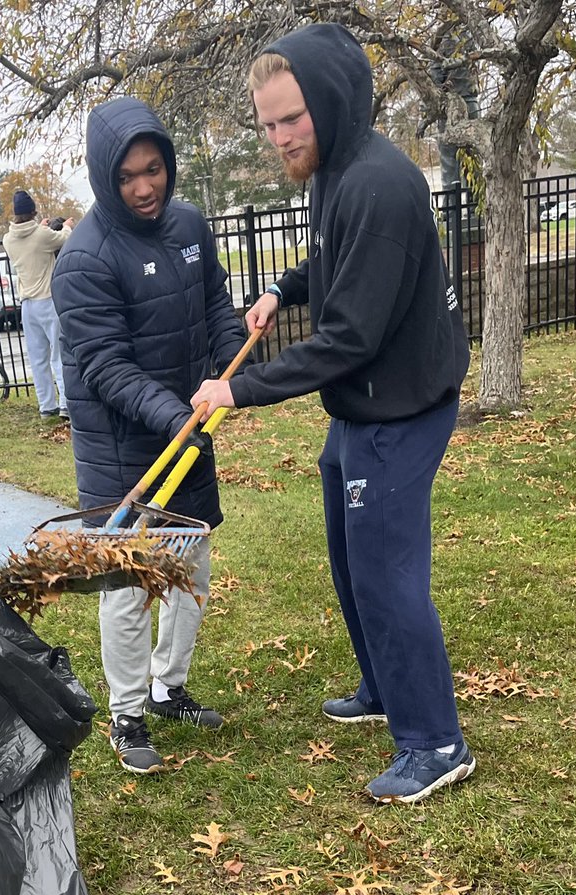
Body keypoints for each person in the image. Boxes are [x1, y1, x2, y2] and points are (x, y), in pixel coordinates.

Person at [190, 23, 475, 805]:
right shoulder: (335, 169)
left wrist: (237, 390)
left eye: (293, 118)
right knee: (352, 556)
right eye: (269, 123)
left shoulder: (379, 186)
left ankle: (436, 741)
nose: (282, 137)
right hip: (366, 405)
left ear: (332, 102)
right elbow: (329, 263)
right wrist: (284, 287)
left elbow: (349, 339)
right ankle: (385, 687)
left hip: (401, 405)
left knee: (386, 570)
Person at [51, 97, 247, 774]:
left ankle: (168, 688)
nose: (144, 186)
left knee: (191, 576)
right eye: (129, 175)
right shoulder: (83, 259)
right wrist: (176, 418)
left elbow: (214, 302)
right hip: (125, 455)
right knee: (130, 590)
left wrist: (227, 366)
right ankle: (127, 712)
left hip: (187, 432)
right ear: (106, 177)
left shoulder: (190, 224)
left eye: (154, 169)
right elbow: (105, 368)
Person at [2, 189, 73, 419]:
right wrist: (68, 225)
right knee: (58, 355)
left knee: (38, 358)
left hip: (27, 305)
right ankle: (65, 404)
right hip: (48, 300)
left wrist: (39, 226)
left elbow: (31, 236)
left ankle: (46, 406)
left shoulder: (8, 240)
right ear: (33, 212)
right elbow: (63, 237)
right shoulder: (42, 236)